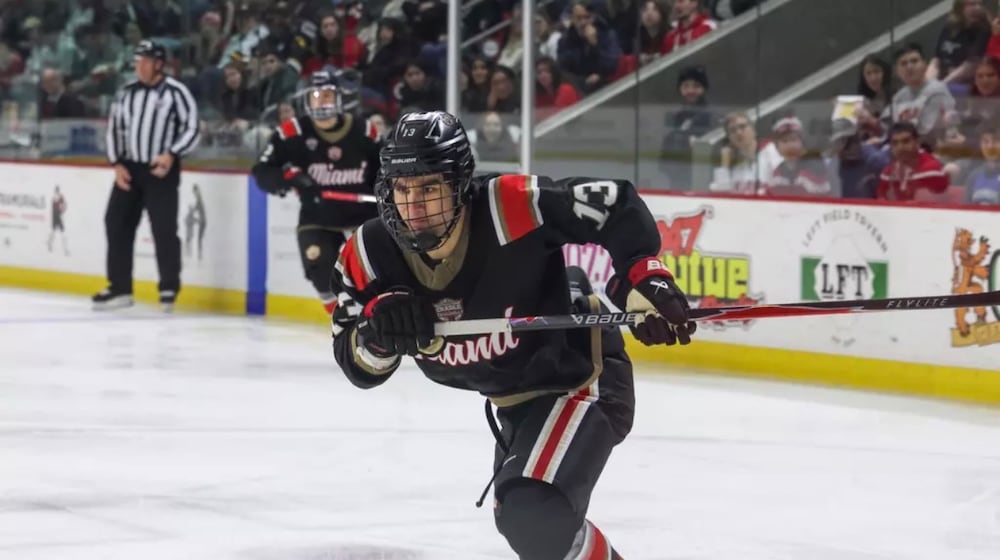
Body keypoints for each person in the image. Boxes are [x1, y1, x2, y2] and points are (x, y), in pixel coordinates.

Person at [330, 110, 697, 559]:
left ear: (460, 184)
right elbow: (355, 361)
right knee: (529, 522)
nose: (415, 205)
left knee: (532, 512)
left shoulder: (509, 205)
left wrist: (642, 277)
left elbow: (613, 205)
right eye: (403, 189)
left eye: (429, 187)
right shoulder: (368, 254)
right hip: (514, 405)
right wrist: (378, 335)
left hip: (580, 377)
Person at [252, 69, 381, 315]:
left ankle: (373, 315)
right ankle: (342, 320)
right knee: (318, 265)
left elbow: (383, 169)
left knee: (373, 271)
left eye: (327, 95)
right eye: (316, 95)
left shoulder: (365, 131)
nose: (321, 101)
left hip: (363, 216)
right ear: (306, 99)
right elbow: (262, 171)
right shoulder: (291, 133)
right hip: (318, 215)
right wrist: (285, 178)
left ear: (339, 98)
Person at [95, 40, 200, 312]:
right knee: (115, 222)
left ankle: (168, 288)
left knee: (163, 228)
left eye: (144, 61)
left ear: (158, 64)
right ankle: (119, 288)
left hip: (160, 169)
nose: (138, 66)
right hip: (130, 169)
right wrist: (117, 164)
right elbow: (114, 130)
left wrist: (171, 154)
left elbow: (192, 128)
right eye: (136, 61)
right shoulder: (126, 92)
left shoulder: (176, 92)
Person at [877, 121, 950, 201]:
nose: (900, 147)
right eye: (895, 143)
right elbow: (882, 203)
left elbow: (941, 207)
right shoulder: (887, 173)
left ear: (917, 142)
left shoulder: (932, 170)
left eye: (906, 141)